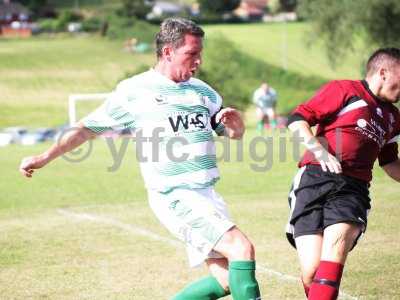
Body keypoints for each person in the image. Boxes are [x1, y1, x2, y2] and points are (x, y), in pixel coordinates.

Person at [19, 18, 261, 300]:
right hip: (175, 194)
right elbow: (86, 128)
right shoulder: (135, 91)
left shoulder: (203, 91)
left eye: (200, 54)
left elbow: (231, 133)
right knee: (242, 248)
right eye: (191, 54)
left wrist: (237, 126)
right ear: (168, 52)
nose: (198, 61)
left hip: (207, 193)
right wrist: (43, 157)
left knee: (225, 280)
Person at [285, 47, 400, 300]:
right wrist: (320, 152)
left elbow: (390, 162)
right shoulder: (345, 90)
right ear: (384, 72)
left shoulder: (394, 117)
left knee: (334, 253)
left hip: (352, 189)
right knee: (312, 272)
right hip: (313, 180)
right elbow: (297, 118)